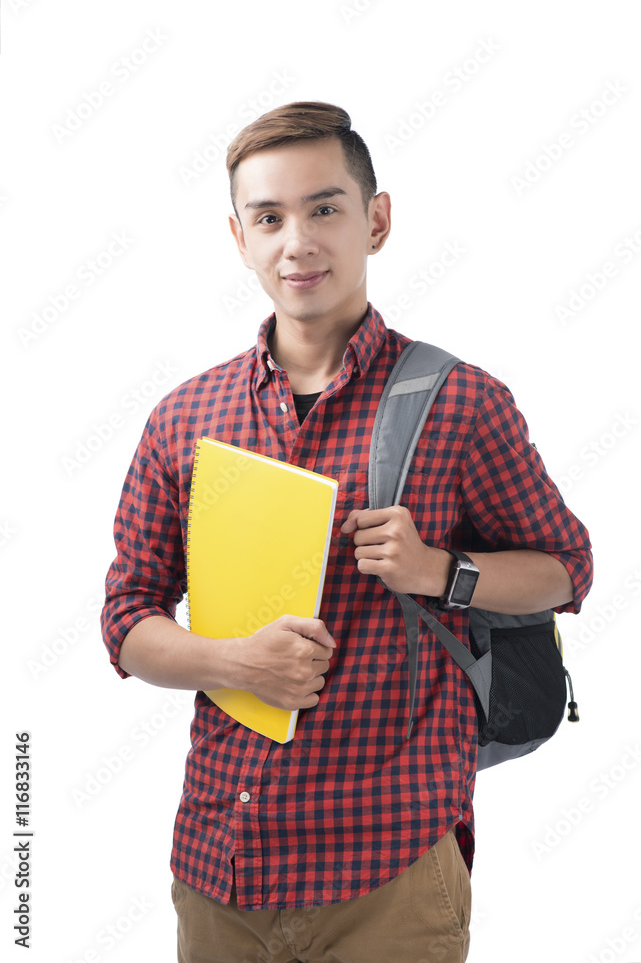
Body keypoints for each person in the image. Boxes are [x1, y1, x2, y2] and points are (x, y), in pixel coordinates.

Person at [101, 100, 593, 963]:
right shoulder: (185, 420)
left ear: (376, 219)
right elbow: (127, 619)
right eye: (269, 216)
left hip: (388, 871)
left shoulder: (460, 402)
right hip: (219, 865)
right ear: (239, 238)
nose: (299, 240)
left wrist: (444, 571)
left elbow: (568, 567)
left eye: (324, 207)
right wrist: (232, 661)